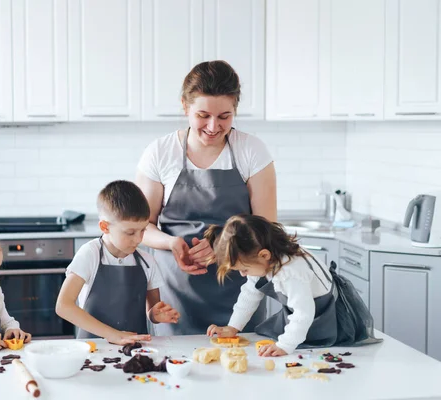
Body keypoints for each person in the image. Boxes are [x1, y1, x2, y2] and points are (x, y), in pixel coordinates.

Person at [135, 60, 276, 335]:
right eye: (203, 115)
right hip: (174, 294)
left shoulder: (252, 151)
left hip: (241, 293)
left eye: (224, 116)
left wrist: (223, 245)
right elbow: (140, 227)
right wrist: (172, 242)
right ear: (185, 107)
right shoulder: (160, 152)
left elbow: (268, 227)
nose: (213, 126)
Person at [205, 214, 382, 356]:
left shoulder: (292, 271)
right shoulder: (265, 259)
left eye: (244, 269)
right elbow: (249, 293)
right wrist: (233, 327)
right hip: (303, 313)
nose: (243, 275)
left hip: (324, 317)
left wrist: (285, 346)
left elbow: (304, 313)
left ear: (264, 255)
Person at [56, 180, 180, 345]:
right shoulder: (90, 254)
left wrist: (155, 315)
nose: (138, 239)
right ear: (105, 227)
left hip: (135, 349)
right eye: (130, 232)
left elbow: (151, 309)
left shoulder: (147, 261)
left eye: (142, 230)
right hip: (93, 350)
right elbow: (63, 305)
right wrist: (113, 334)